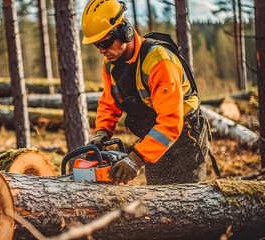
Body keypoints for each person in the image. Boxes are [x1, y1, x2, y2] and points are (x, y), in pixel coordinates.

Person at [82, 0, 211, 185]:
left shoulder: (158, 61)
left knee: (188, 201)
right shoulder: (110, 65)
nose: (102, 50)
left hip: (185, 136)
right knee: (157, 199)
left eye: (105, 42)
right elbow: (109, 103)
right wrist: (101, 133)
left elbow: (170, 121)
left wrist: (135, 159)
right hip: (154, 135)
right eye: (97, 45)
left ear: (124, 32)